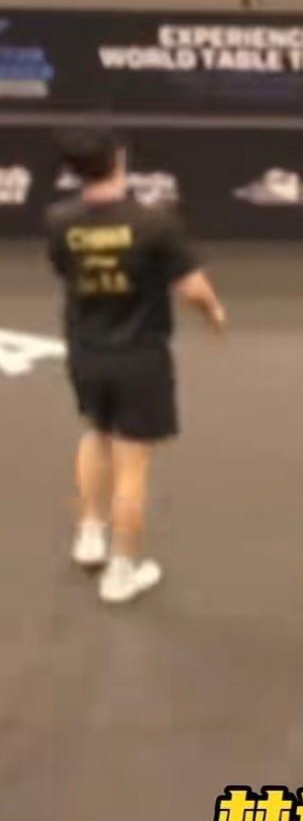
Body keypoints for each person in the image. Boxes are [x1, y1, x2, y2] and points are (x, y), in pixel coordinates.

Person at [45, 127, 226, 604]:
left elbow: (67, 272)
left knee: (96, 433)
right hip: (139, 355)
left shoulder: (58, 220)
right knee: (132, 464)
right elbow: (193, 289)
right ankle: (122, 570)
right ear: (119, 159)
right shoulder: (154, 223)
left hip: (85, 350)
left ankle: (90, 533)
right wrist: (214, 313)